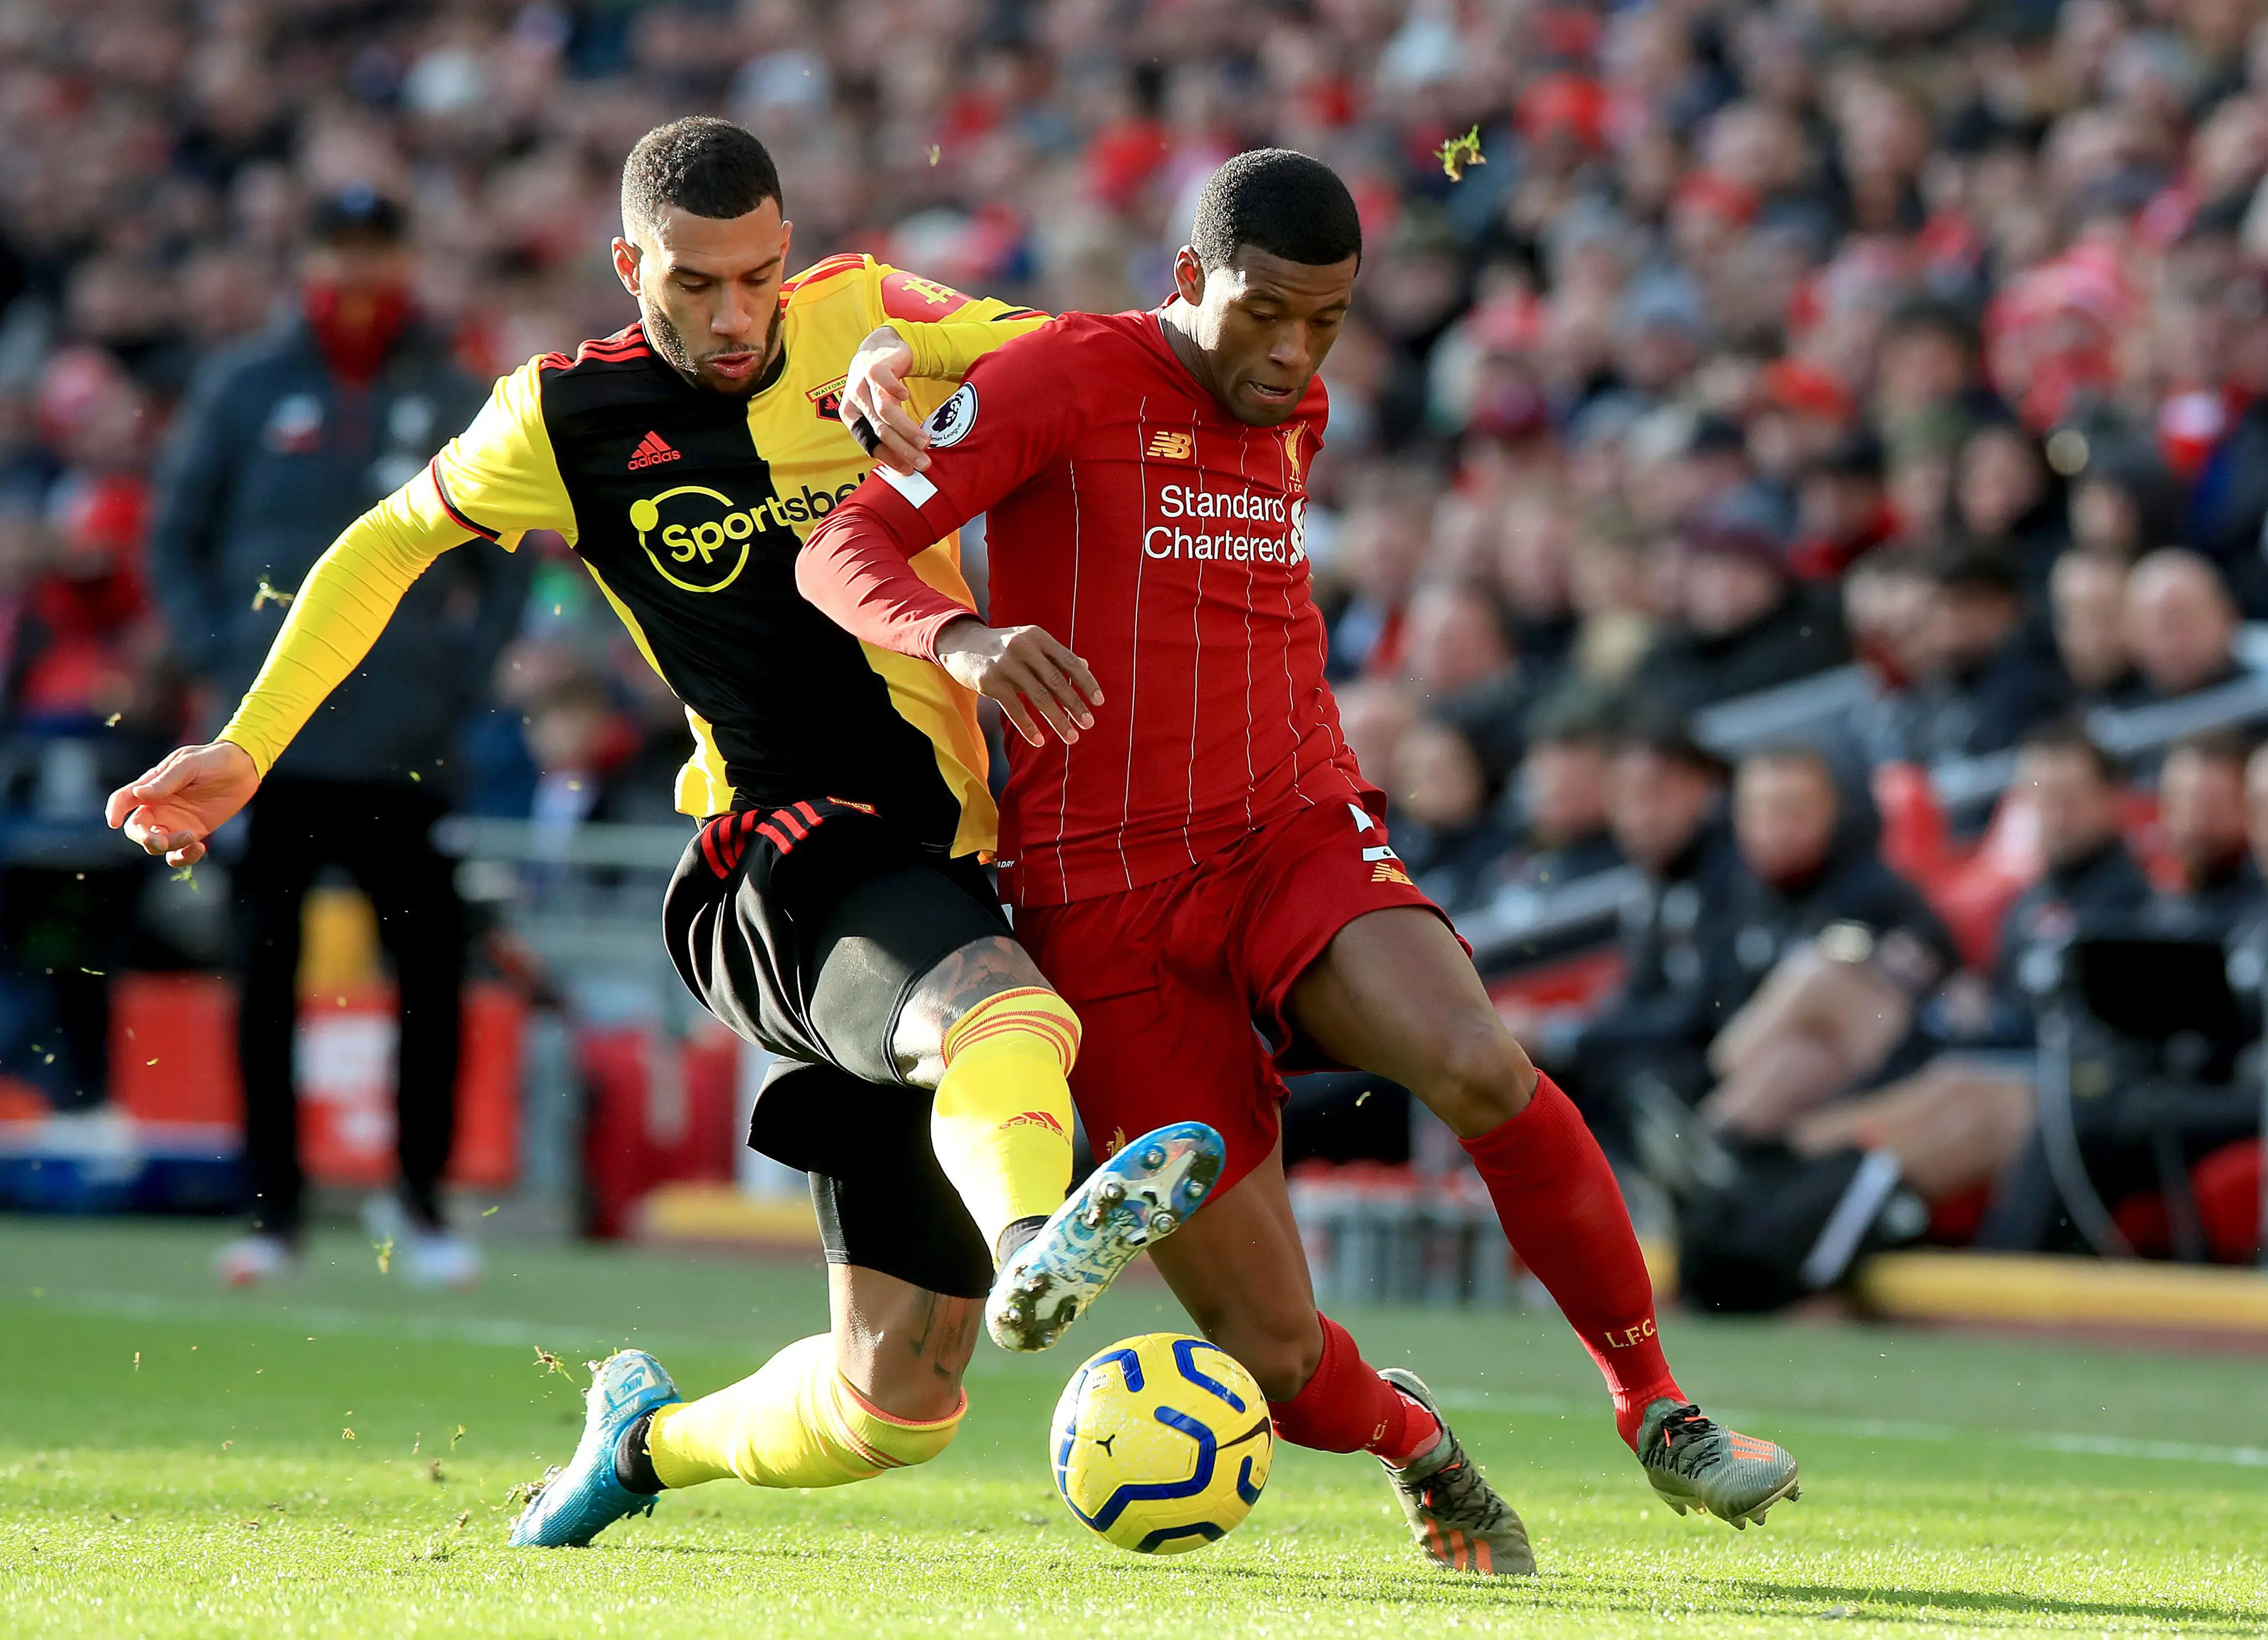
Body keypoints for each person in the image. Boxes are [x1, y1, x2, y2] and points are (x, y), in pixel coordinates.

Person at [110, 118, 1215, 1553]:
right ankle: (1032, 1243)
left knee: (896, 1405)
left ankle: (642, 1440)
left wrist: (935, 364)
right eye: (695, 282)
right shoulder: (560, 417)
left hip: (936, 863)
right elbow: (385, 542)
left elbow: (1085, 350)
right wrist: (248, 744)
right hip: (774, 849)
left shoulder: (868, 309)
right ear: (632, 264)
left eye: (759, 274)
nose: (736, 314)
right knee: (1001, 1004)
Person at [800, 148, 1802, 1576]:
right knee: (1274, 1350)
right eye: (1265, 312)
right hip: (1101, 897)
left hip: (1289, 824)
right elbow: (841, 545)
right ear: (1189, 279)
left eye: (1325, 319)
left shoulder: (1298, 404)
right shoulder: (1062, 381)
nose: (1293, 351)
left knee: (1477, 1060)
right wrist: (960, 635)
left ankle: (1662, 1406)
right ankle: (1418, 1444)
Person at [145, 188, 522, 1288]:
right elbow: (176, 540)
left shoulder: (451, 390)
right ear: (309, 254)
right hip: (271, 755)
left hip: (408, 746)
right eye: (339, 249)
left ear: (404, 260)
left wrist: (460, 674)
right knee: (261, 982)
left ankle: (423, 1205)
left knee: (433, 983)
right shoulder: (245, 386)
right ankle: (273, 1216)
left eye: (375, 252)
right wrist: (228, 663)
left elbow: (507, 569)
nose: (357, 273)